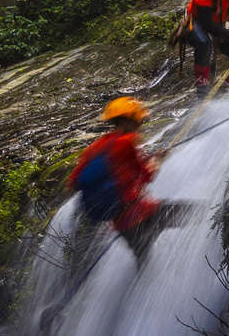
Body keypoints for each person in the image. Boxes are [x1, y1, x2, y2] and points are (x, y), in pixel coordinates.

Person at [66, 97, 187, 265]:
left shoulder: (93, 149)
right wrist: (156, 160)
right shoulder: (127, 141)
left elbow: (73, 183)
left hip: (123, 225)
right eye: (138, 120)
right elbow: (147, 176)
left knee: (146, 266)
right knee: (202, 213)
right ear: (126, 121)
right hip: (145, 213)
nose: (140, 126)